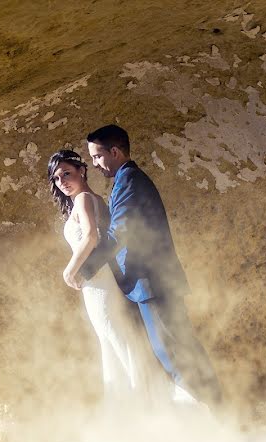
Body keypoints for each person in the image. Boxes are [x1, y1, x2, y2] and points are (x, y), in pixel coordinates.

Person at [79, 125, 225, 409]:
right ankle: (222, 414)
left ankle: (222, 417)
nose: (95, 164)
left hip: (152, 283)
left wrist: (86, 270)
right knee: (180, 351)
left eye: (97, 157)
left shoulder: (130, 180)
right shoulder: (126, 179)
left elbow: (120, 232)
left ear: (115, 151)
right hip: (149, 285)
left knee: (174, 355)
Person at [49, 149, 189, 412]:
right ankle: (141, 412)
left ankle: (146, 412)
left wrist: (69, 270)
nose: (62, 182)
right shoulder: (96, 199)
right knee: (116, 341)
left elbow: (91, 237)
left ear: (82, 170)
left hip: (100, 283)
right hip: (101, 280)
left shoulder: (83, 200)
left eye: (67, 173)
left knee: (118, 342)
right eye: (56, 179)